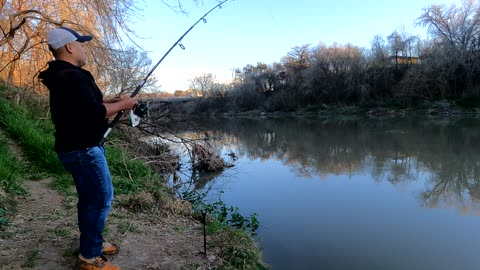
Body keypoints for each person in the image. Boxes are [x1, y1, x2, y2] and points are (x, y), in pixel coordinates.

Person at [39, 27, 137, 270]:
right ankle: (90, 257)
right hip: (84, 150)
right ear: (70, 47)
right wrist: (124, 103)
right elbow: (91, 113)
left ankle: (93, 242)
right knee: (100, 199)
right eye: (81, 44)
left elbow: (84, 106)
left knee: (90, 200)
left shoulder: (61, 76)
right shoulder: (73, 76)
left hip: (74, 149)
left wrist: (115, 103)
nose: (84, 48)